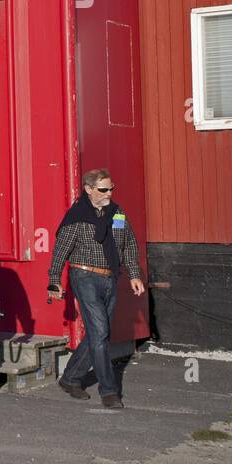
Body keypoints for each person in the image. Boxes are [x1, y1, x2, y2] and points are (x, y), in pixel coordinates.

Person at [49, 169, 146, 410]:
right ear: (89, 189)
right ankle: (109, 391)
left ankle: (70, 378)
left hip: (110, 276)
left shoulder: (117, 213)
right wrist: (54, 280)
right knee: (101, 331)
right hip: (84, 276)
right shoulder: (77, 216)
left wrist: (134, 274)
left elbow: (128, 243)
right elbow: (60, 250)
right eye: (103, 189)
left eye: (111, 188)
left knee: (98, 334)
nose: (109, 193)